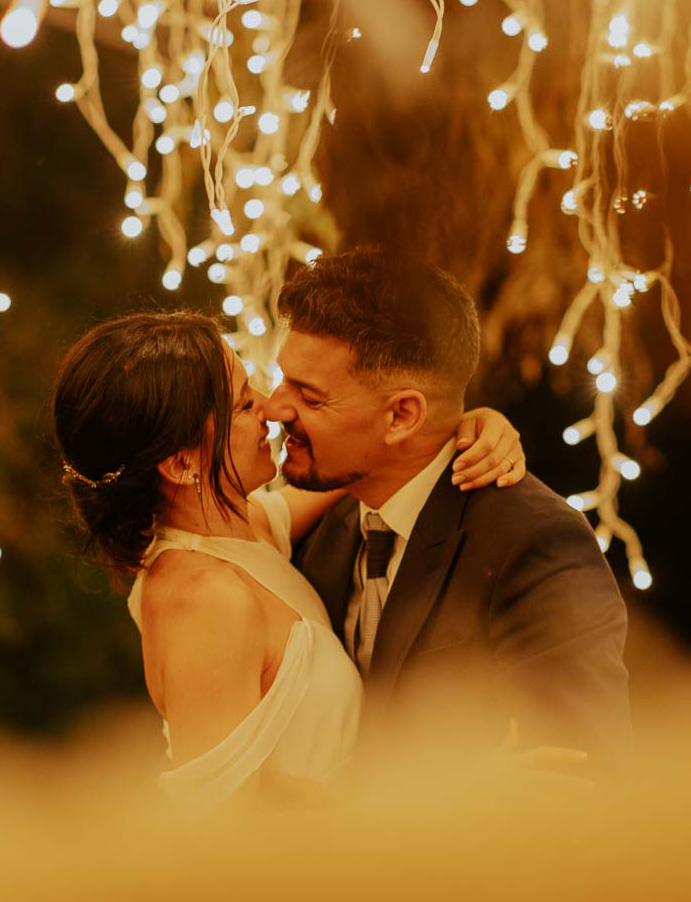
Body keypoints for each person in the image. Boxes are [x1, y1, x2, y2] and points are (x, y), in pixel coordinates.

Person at [51, 310, 526, 808]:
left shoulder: (242, 529)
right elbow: (231, 825)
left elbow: (358, 461)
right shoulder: (205, 602)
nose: (269, 407)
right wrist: (459, 797)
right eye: (240, 404)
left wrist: (469, 427)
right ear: (181, 463)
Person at [269, 249, 631, 767]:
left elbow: (580, 769)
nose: (276, 407)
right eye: (284, 380)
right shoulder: (325, 519)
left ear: (402, 415)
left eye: (309, 395)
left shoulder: (534, 542)